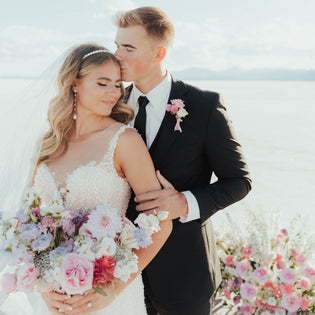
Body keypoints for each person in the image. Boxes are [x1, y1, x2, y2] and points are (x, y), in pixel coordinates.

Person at [113, 6, 252, 315]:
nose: (117, 55)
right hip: (120, 273)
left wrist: (183, 204)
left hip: (185, 277)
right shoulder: (110, 104)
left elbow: (240, 181)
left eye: (128, 47)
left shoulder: (204, 107)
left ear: (158, 53)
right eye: (117, 45)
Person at [26, 43, 172, 315]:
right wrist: (43, 285)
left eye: (117, 84)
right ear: (74, 84)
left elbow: (161, 223)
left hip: (107, 297)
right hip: (53, 298)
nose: (114, 93)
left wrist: (113, 289)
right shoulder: (47, 144)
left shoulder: (124, 141)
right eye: (103, 83)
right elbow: (28, 220)